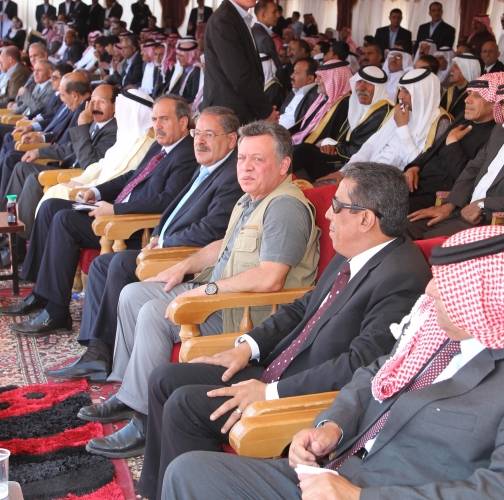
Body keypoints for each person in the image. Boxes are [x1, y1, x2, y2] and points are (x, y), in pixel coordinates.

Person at [132, 162, 431, 499]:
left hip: (303, 393)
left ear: (365, 219)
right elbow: (302, 308)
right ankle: (157, 491)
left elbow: (359, 365)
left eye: (337, 205)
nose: (328, 215)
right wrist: (246, 346)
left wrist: (270, 393)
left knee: (185, 405)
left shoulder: (401, 276)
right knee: (165, 378)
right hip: (279, 367)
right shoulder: (355, 251)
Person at [163, 223, 504, 500]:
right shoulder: (436, 328)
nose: (429, 291)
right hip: (333, 470)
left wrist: (358, 497)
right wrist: (332, 427)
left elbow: (495, 489)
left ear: (485, 297)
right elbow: (373, 374)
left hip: (382, 491)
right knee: (189, 472)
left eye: (447, 285)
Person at [79, 120, 320, 459]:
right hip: (222, 298)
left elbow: (271, 278)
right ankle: (128, 391)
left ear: (283, 165)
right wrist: (183, 266)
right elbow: (224, 245)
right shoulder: (251, 199)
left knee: (154, 313)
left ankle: (145, 421)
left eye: (258, 159)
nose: (246, 167)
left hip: (247, 313)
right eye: (242, 158)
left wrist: (207, 292)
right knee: (133, 293)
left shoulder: (285, 207)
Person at [46, 107, 245, 382]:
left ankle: (103, 354)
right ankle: (97, 351)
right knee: (102, 264)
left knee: (119, 263)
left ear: (232, 140)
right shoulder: (208, 167)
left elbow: (211, 230)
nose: (199, 141)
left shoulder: (231, 176)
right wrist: (157, 235)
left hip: (189, 258)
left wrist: (164, 241)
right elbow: (175, 209)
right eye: (197, 133)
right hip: (164, 245)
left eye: (208, 135)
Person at [0, 95, 198, 334]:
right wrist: (95, 191)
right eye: (154, 119)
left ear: (183, 122)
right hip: (117, 213)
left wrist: (115, 209)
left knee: (65, 220)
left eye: (164, 119)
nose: (157, 125)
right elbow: (132, 177)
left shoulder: (187, 153)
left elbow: (166, 201)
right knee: (51, 206)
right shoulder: (160, 146)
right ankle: (40, 293)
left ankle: (55, 312)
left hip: (133, 228)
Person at [11, 84, 119, 238]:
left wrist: (82, 126)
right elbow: (70, 148)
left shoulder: (114, 129)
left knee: (34, 178)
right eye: (93, 101)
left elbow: (90, 164)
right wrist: (39, 152)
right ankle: (9, 228)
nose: (95, 106)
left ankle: (22, 236)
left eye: (101, 102)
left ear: (115, 105)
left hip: (79, 177)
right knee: (22, 167)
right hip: (68, 168)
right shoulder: (95, 122)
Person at [407, 80, 504, 239]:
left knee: (418, 241)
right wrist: (450, 205)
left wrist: (483, 204)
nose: (467, 100)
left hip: (489, 220)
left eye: (477, 96)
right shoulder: (499, 131)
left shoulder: (492, 130)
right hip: (462, 208)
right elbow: (472, 169)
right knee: (405, 228)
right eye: (503, 103)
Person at [293, 66, 393, 181]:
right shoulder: (357, 104)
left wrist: (337, 148)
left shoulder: (383, 111)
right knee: (304, 150)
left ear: (379, 88)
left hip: (356, 166)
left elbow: (361, 148)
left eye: (368, 83)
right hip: (344, 157)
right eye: (359, 82)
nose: (361, 88)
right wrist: (330, 144)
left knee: (304, 152)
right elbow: (344, 137)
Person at [349, 68, 451, 171]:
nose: (400, 96)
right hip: (369, 170)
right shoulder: (401, 110)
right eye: (400, 89)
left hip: (394, 177)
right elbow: (371, 144)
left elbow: (419, 167)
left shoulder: (440, 122)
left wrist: (403, 128)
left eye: (406, 91)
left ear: (423, 94)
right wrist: (348, 168)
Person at [203, 0, 277, 124]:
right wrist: (266, 111)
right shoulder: (224, 20)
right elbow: (240, 76)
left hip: (237, 109)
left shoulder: (237, 17)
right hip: (226, 115)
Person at [291, 58, 352, 146]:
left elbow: (328, 135)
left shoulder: (345, 104)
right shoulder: (322, 99)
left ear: (334, 79)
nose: (316, 81)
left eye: (321, 77)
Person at [278, 57, 318, 130]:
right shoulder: (295, 90)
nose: (291, 76)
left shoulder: (314, 97)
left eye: (296, 73)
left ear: (310, 79)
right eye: (293, 72)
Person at [440, 53, 481, 119]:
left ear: (466, 71)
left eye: (456, 67)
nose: (451, 70)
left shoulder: (474, 95)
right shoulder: (450, 91)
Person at [164, 37, 200, 103]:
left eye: (181, 56)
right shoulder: (180, 69)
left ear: (190, 56)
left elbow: (192, 97)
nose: (178, 58)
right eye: (177, 55)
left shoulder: (197, 71)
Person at [252, 0, 280, 72]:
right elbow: (277, 69)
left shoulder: (253, 30)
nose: (278, 15)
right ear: (263, 15)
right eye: (274, 12)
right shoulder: (265, 39)